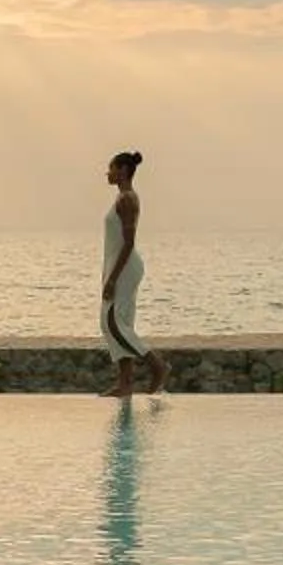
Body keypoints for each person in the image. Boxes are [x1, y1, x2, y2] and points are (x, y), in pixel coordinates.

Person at [100, 150, 167, 399]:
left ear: (123, 171)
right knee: (119, 323)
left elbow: (128, 243)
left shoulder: (127, 199)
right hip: (119, 266)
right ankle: (125, 384)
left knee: (113, 324)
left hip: (125, 269)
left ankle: (157, 366)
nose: (108, 173)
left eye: (112, 168)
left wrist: (114, 278)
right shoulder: (123, 198)